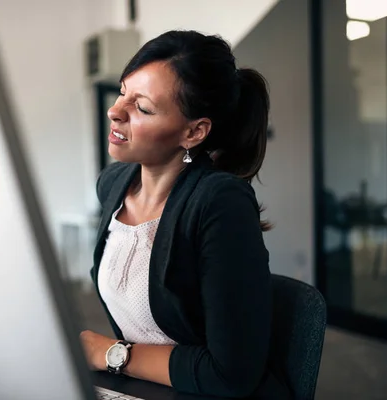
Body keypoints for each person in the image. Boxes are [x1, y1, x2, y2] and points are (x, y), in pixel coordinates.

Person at [80, 30, 291, 399]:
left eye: (142, 107)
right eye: (122, 91)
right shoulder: (113, 184)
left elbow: (232, 375)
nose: (115, 111)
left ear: (194, 132)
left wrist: (109, 352)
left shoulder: (220, 204)